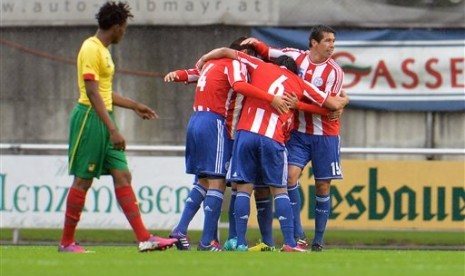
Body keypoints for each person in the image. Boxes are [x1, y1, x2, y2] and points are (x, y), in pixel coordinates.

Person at [196, 47, 348, 252]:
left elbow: (226, 51)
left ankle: (239, 242)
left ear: (276, 65)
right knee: (279, 189)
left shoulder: (260, 65)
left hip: (245, 134)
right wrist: (344, 100)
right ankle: (290, 243)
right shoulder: (299, 82)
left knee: (243, 187)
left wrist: (205, 57)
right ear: (294, 71)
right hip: (272, 138)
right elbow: (331, 104)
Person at [58, 1, 177, 253]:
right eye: (123, 28)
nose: (124, 32)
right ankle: (66, 242)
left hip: (103, 116)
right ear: (115, 27)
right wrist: (113, 129)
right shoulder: (90, 49)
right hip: (90, 119)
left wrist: (135, 105)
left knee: (122, 174)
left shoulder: (103, 51)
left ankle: (144, 238)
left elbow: (105, 92)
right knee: (83, 180)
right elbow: (91, 93)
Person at [164, 38, 288, 251]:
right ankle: (207, 242)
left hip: (195, 119)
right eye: (252, 55)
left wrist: (178, 74)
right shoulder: (236, 64)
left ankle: (181, 230)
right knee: (218, 181)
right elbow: (239, 85)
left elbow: (194, 73)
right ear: (244, 52)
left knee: (202, 180)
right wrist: (270, 98)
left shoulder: (212, 63)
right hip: (216, 122)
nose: (253, 60)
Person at [241, 24, 346, 251]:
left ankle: (318, 240)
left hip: (325, 134)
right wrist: (254, 43)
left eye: (333, 42)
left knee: (322, 186)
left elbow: (331, 108)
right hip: (298, 133)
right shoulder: (295, 57)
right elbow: (269, 53)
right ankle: (299, 236)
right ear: (313, 43)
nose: (332, 46)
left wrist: (298, 104)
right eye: (327, 41)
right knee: (289, 178)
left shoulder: (335, 72)